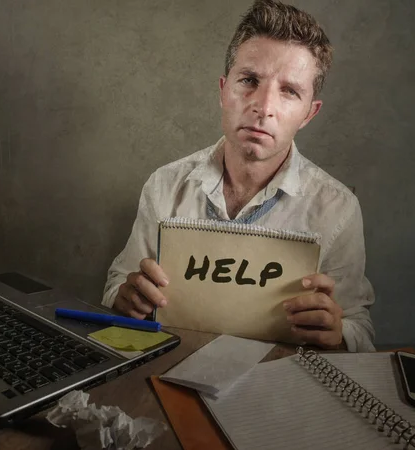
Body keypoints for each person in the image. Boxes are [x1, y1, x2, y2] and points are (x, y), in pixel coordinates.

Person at [101, 0, 376, 352]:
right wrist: (125, 300)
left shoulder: (338, 209)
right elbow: (117, 285)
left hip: (277, 387)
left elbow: (361, 330)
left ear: (309, 113)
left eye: (289, 91)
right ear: (222, 90)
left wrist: (339, 334)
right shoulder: (165, 186)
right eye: (248, 80)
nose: (263, 107)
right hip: (169, 373)